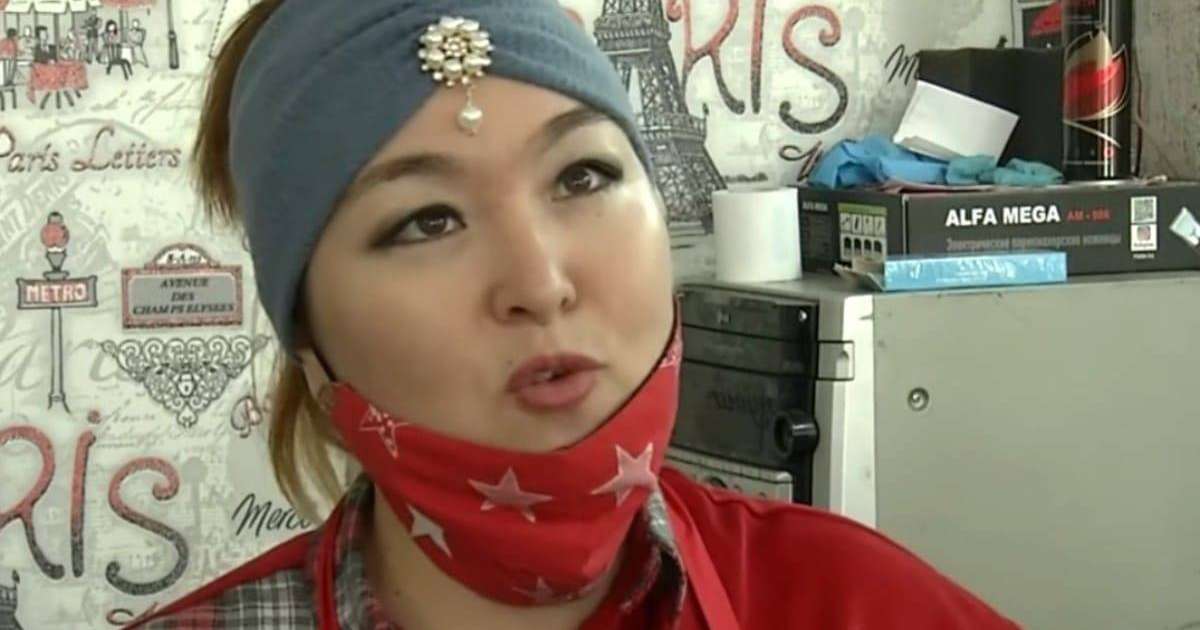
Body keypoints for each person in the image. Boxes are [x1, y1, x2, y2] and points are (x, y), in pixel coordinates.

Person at [125, 1, 1023, 629]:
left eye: (583, 176)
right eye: (426, 221)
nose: (541, 281)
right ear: (309, 340)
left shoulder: (861, 604)